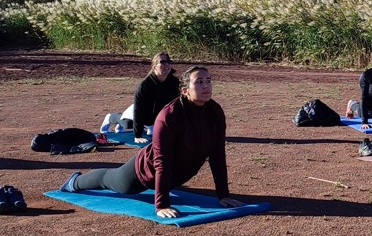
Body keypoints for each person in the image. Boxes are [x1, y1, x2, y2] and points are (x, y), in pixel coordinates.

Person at [63, 65, 243, 219]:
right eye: (199, 82)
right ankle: (75, 182)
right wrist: (162, 205)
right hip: (144, 172)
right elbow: (161, 161)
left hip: (177, 174)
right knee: (111, 180)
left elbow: (217, 154)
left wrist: (223, 195)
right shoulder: (170, 115)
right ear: (185, 90)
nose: (206, 86)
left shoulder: (215, 111)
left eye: (208, 81)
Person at [131, 51, 180, 142]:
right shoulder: (144, 86)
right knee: (126, 123)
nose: (166, 64)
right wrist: (137, 135)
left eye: (168, 61)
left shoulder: (175, 82)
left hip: (160, 118)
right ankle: (112, 117)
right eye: (162, 62)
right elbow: (138, 111)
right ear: (154, 67)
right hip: (142, 116)